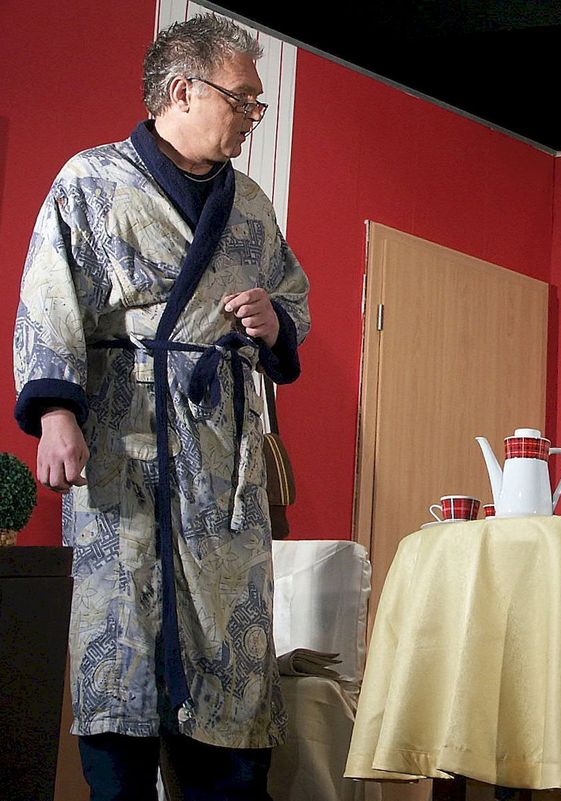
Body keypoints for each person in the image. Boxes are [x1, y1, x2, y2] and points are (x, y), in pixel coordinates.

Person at [13, 13, 311, 800]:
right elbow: (48, 300)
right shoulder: (91, 182)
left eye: (258, 104)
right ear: (182, 90)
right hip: (124, 445)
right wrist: (56, 413)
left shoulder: (251, 206)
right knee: (122, 644)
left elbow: (292, 295)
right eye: (242, 98)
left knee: (230, 658)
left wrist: (275, 322)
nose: (252, 115)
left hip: (222, 459)